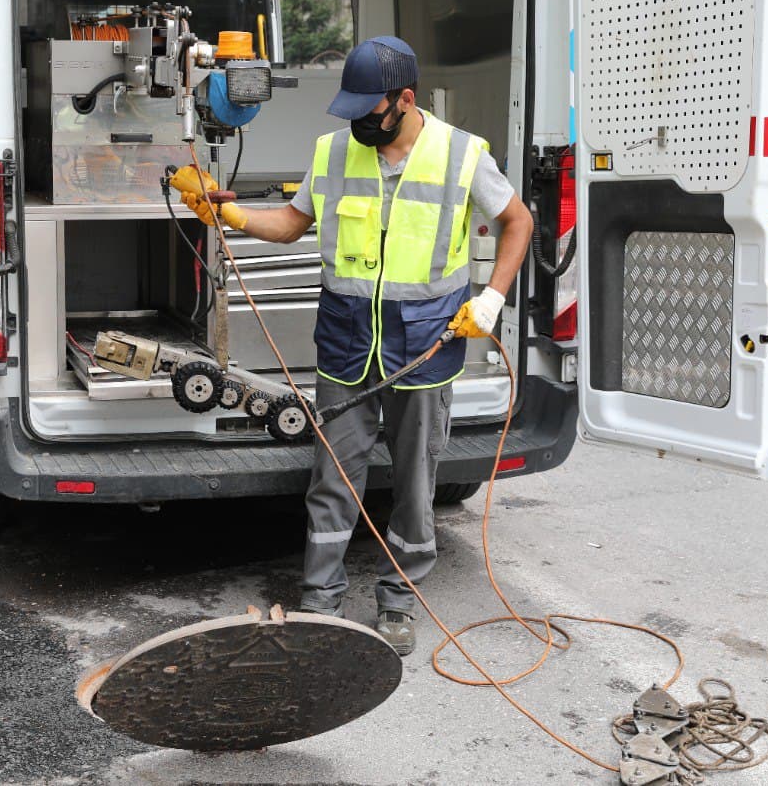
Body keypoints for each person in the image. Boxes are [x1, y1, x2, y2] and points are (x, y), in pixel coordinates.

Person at [170, 36, 532, 656]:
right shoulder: (334, 152)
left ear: (405, 100)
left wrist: (494, 295)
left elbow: (517, 221)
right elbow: (291, 223)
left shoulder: (461, 155)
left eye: (371, 110)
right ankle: (321, 599)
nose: (359, 120)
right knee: (333, 475)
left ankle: (398, 602)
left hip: (424, 341)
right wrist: (229, 216)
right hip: (346, 339)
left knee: (417, 481)